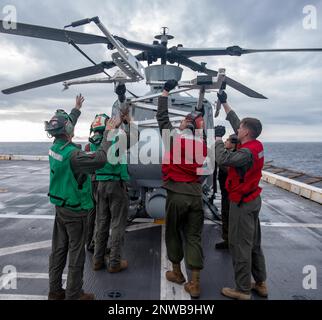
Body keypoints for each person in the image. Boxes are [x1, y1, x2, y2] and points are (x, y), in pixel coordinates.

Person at [46, 94, 119, 300]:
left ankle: (55, 290)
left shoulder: (55, 149)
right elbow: (101, 158)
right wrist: (108, 134)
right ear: (67, 130)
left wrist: (76, 109)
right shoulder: (74, 156)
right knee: (76, 254)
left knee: (59, 250)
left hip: (60, 207)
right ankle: (74, 293)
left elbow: (64, 126)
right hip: (76, 210)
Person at [214, 90, 268, 300]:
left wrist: (218, 138)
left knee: (240, 246)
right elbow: (236, 121)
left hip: (242, 204)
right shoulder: (256, 145)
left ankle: (243, 289)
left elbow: (223, 158)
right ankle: (261, 282)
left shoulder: (246, 153)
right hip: (253, 199)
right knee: (254, 243)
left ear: (245, 132)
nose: (237, 129)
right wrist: (225, 103)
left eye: (241, 128)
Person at [157, 79, 207, 299]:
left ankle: (177, 273)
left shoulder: (173, 141)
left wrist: (166, 91)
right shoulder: (202, 145)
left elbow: (161, 116)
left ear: (184, 127)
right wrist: (198, 126)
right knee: (194, 237)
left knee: (173, 233)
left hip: (176, 195)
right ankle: (195, 284)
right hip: (196, 196)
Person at [92, 84, 139, 273]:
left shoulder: (97, 141)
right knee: (117, 224)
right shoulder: (118, 141)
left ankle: (97, 260)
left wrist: (115, 124)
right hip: (116, 185)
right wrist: (129, 120)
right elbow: (135, 136)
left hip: (100, 185)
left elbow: (107, 136)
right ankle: (114, 262)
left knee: (101, 223)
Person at [84, 114, 110, 253]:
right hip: (101, 181)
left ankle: (89, 243)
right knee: (102, 216)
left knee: (91, 214)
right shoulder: (106, 143)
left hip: (90, 182)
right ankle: (99, 246)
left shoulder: (88, 145)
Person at [215, 133, 238, 250]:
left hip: (231, 193)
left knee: (230, 216)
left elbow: (224, 165)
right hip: (225, 192)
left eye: (228, 140)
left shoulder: (233, 157)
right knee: (225, 215)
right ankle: (227, 239)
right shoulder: (228, 154)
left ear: (233, 144)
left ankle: (231, 241)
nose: (225, 142)